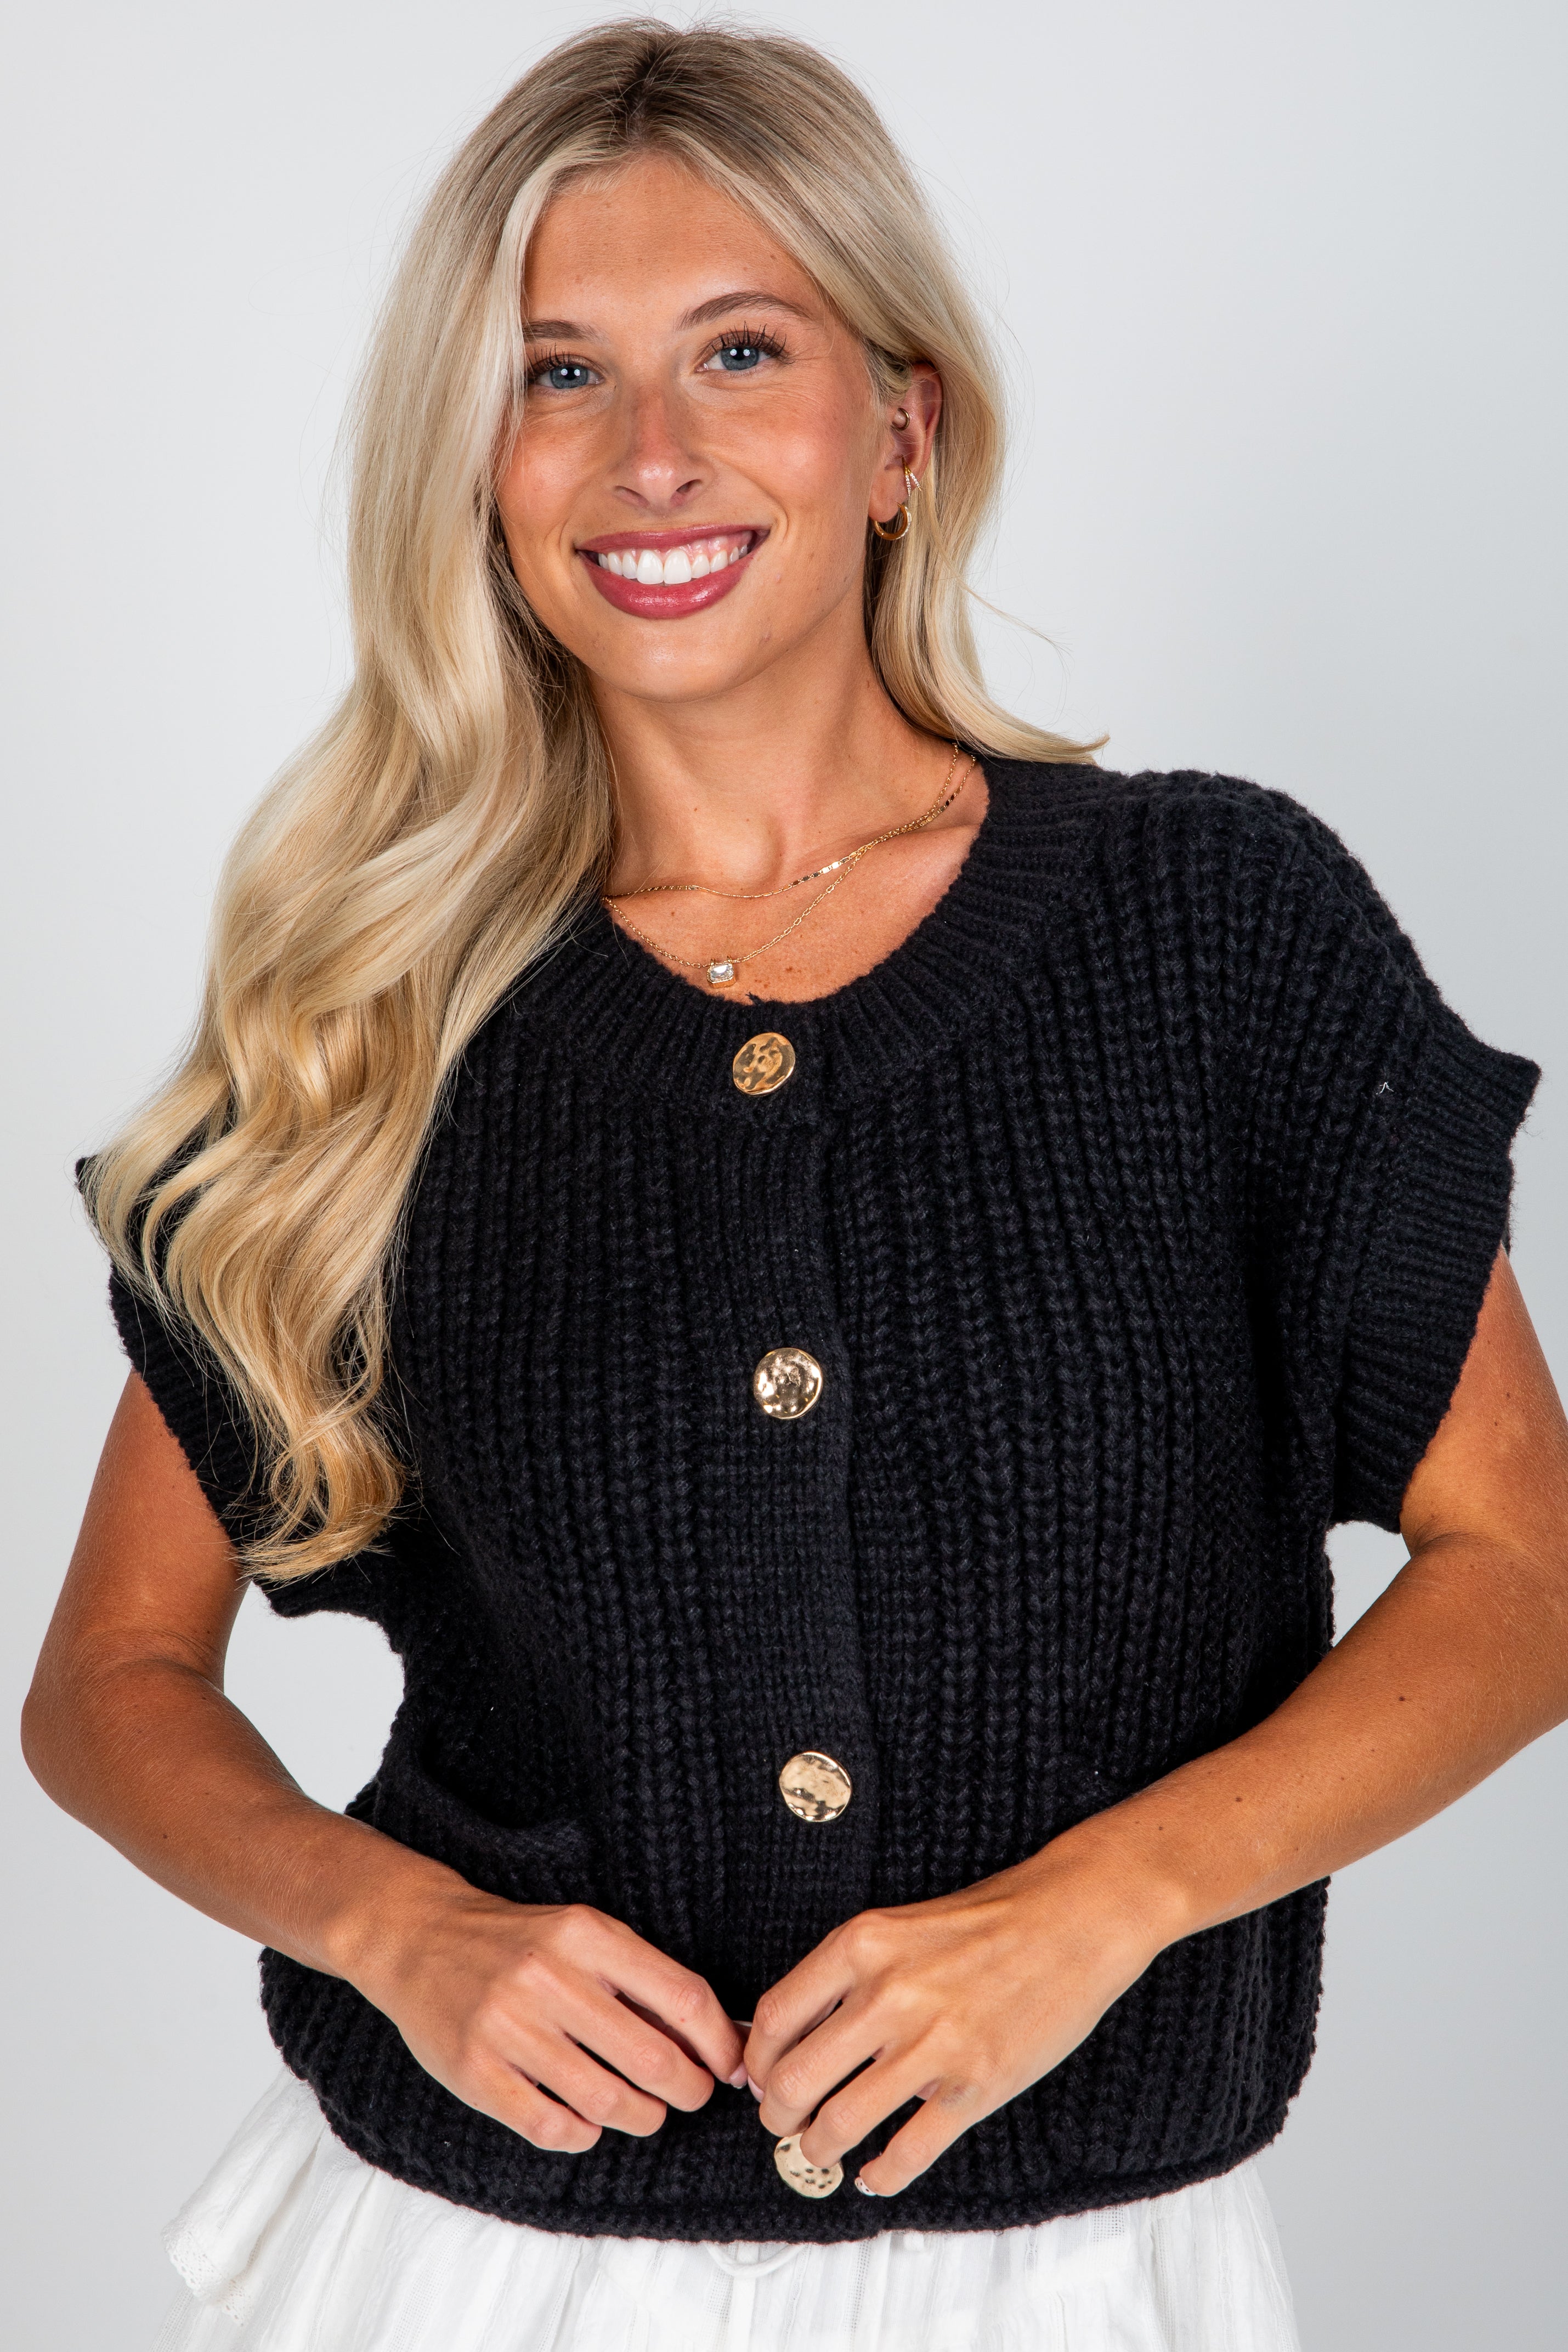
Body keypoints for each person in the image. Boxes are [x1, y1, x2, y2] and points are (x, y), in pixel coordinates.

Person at [22, 19, 1567, 2350]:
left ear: (899, 430)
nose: (650, 454)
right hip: (476, 2273)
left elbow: (1523, 1570)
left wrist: (1110, 1903)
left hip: (1077, 2279)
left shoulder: (1215, 935)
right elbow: (111, 1680)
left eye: (741, 349)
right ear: (479, 461)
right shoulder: (380, 1025)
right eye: (557, 373)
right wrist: (386, 1926)